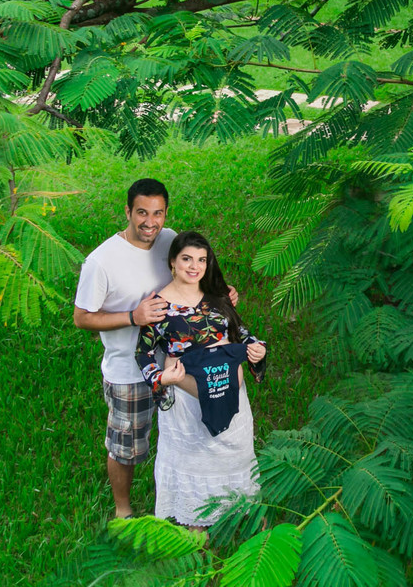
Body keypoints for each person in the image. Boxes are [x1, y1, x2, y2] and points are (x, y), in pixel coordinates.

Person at [73, 179, 236, 519]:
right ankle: (123, 511)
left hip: (183, 363)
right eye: (142, 213)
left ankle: (190, 505)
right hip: (130, 372)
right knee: (128, 447)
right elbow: (82, 318)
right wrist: (134, 316)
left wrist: (221, 296)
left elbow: (190, 277)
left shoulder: (168, 240)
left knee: (187, 437)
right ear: (128, 212)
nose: (150, 222)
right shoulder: (101, 262)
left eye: (158, 213)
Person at [135, 231, 268, 526]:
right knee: (195, 464)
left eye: (201, 260)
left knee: (235, 458)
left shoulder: (218, 299)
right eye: (186, 259)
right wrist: (162, 379)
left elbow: (241, 335)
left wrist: (257, 350)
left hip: (231, 395)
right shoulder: (158, 307)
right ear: (172, 262)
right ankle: (196, 521)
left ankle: (240, 511)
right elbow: (143, 355)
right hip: (187, 404)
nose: (194, 267)